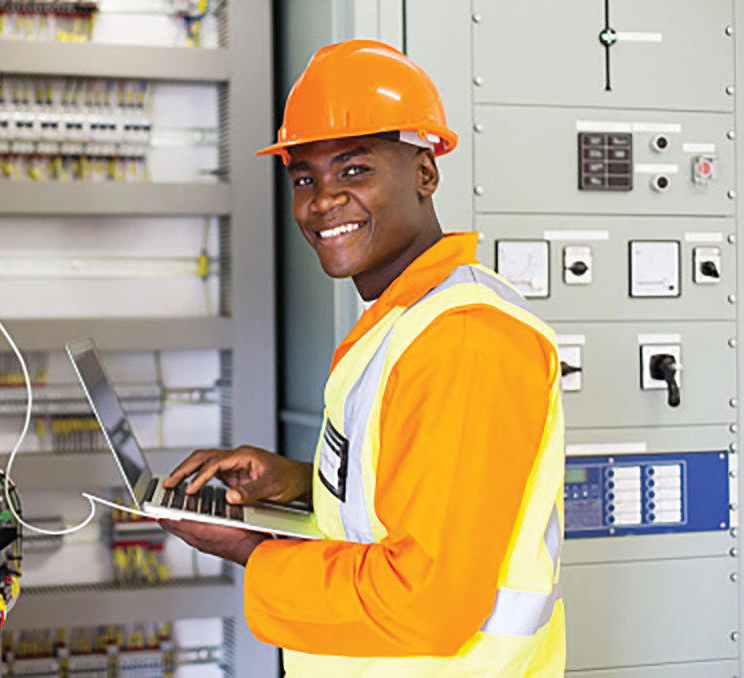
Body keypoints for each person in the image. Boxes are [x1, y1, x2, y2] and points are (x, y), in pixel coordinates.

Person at [160, 39, 565, 677]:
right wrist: (294, 483)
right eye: (305, 178)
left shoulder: (463, 340)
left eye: (355, 170)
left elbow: (426, 602)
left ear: (425, 173)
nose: (323, 201)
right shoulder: (404, 320)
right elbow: (406, 497)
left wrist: (251, 549)